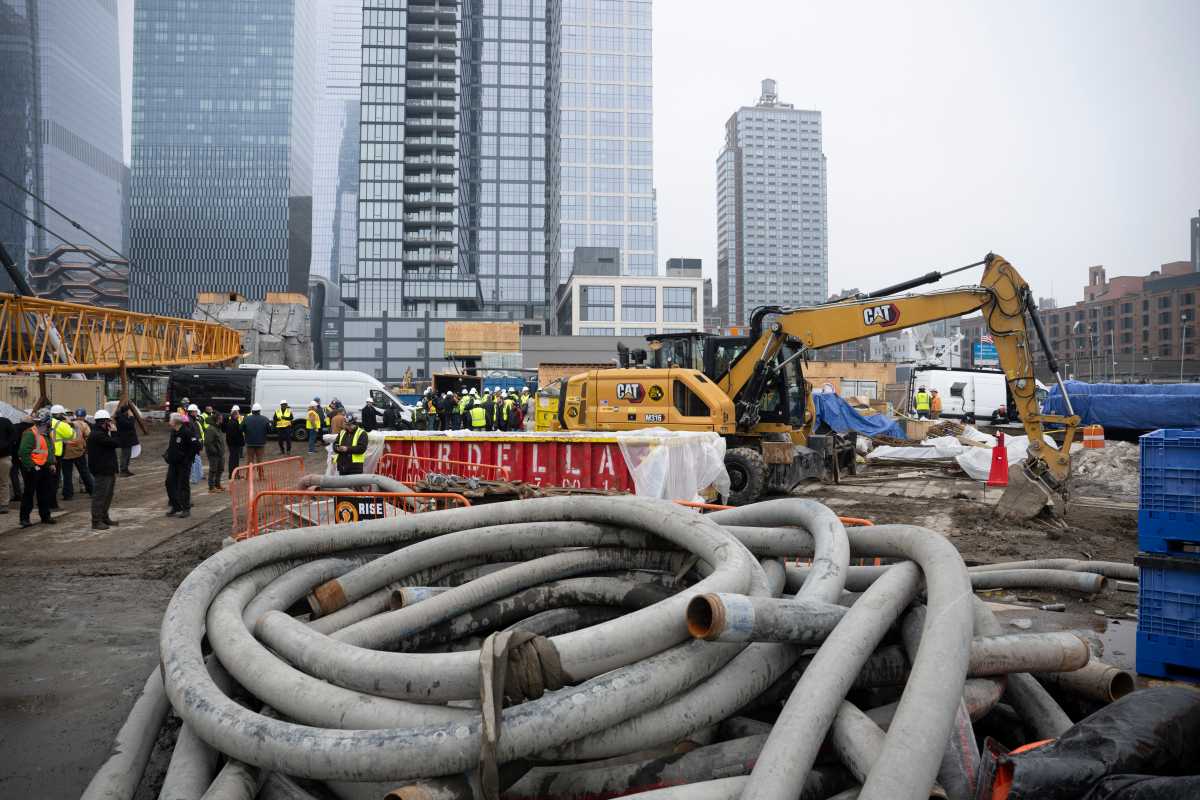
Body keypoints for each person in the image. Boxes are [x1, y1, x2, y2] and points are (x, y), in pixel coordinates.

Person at [18, 413, 57, 527]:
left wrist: (51, 463)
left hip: (44, 467)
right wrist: (32, 467)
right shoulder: (31, 434)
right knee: (29, 494)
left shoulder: (45, 434)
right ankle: (24, 519)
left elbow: (49, 450)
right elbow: (23, 452)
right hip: (33, 468)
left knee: (44, 493)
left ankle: (45, 516)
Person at [87, 409, 120, 530]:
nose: (111, 424)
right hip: (102, 470)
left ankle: (104, 517)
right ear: (103, 422)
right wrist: (115, 432)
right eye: (109, 422)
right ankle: (96, 521)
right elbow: (116, 443)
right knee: (100, 496)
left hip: (107, 469)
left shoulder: (101, 433)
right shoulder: (98, 435)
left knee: (107, 495)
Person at [164, 412, 197, 518]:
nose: (169, 421)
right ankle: (176, 506)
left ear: (175, 422)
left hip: (184, 464)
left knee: (183, 485)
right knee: (169, 483)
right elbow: (172, 446)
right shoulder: (173, 432)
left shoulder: (187, 432)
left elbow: (195, 446)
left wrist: (187, 459)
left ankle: (186, 508)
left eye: (170, 419)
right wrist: (168, 455)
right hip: (173, 463)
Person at [61, 408, 94, 501]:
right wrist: (85, 447)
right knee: (84, 472)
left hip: (66, 454)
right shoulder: (83, 424)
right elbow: (89, 436)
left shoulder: (61, 425)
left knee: (67, 475)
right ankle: (92, 490)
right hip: (79, 452)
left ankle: (68, 494)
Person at [48, 404, 73, 508]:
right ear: (59, 414)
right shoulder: (61, 424)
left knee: (46, 479)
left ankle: (45, 500)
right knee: (54, 480)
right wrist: (68, 422)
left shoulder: (45, 422)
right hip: (56, 455)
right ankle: (52, 503)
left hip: (44, 454)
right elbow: (71, 435)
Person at [205, 410, 227, 493]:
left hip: (220, 454)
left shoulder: (218, 428)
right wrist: (214, 451)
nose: (222, 419)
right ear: (217, 419)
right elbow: (207, 443)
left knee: (220, 469)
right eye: (221, 418)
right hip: (214, 454)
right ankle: (211, 487)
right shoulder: (211, 429)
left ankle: (217, 485)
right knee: (213, 470)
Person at [115, 401, 139, 476]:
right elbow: (130, 425)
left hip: (127, 439)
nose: (130, 412)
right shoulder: (121, 419)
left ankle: (125, 469)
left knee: (127, 455)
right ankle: (123, 470)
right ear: (126, 411)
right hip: (125, 440)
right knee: (125, 455)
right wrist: (131, 417)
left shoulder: (123, 417)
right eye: (129, 410)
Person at [186, 404, 206, 484]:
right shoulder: (191, 421)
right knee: (194, 461)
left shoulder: (193, 420)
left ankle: (196, 478)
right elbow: (193, 434)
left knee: (195, 461)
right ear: (192, 412)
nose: (196, 412)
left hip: (195, 444)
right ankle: (196, 477)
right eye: (195, 411)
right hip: (194, 444)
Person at [224, 405, 245, 477]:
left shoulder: (231, 422)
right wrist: (241, 442)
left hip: (232, 444)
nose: (238, 416)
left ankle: (234, 474)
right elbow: (236, 434)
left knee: (234, 459)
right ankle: (233, 475)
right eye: (237, 415)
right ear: (235, 415)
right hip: (234, 445)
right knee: (234, 460)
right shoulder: (233, 423)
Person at [0, 412, 14, 515]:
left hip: (4, 456)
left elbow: (13, 437)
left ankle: (4, 504)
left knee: (3, 481)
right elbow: (14, 437)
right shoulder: (7, 422)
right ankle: (4, 504)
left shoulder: (5, 422)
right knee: (4, 481)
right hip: (4, 456)